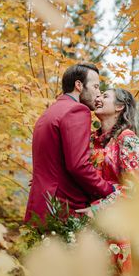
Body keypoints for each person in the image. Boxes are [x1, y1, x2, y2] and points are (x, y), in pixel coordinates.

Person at [24, 63, 114, 223]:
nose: (98, 93)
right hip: (63, 207)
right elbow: (78, 165)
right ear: (79, 85)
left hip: (40, 204)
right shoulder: (77, 111)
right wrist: (108, 190)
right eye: (95, 86)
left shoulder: (49, 112)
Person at [77, 87, 139, 276]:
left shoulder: (128, 140)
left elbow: (133, 190)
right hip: (86, 223)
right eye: (99, 95)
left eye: (104, 96)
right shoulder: (91, 138)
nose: (98, 98)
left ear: (119, 107)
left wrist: (97, 209)